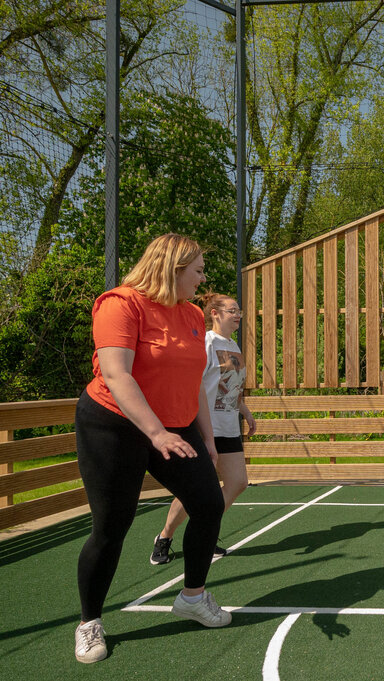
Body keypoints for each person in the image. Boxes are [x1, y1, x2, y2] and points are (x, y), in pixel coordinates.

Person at [73, 234, 231, 664]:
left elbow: (195, 380)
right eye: (197, 270)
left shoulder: (193, 314)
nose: (202, 278)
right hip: (113, 426)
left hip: (177, 427)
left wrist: (208, 441)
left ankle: (193, 597)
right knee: (112, 526)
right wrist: (156, 433)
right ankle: (89, 623)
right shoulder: (120, 304)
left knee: (209, 503)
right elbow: (117, 374)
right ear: (172, 268)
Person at [150, 292, 256, 565]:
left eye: (239, 311)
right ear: (215, 313)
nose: (238, 316)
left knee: (237, 483)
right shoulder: (206, 343)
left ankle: (202, 532)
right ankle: (164, 537)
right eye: (232, 310)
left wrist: (244, 410)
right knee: (195, 491)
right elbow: (193, 384)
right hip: (204, 426)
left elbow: (230, 386)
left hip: (229, 426)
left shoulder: (233, 345)